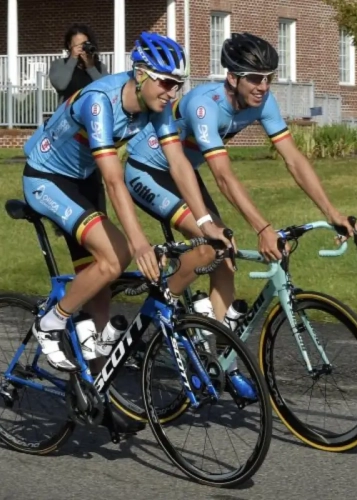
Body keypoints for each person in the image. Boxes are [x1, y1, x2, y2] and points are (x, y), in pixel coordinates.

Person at [122, 32, 357, 393]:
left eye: (269, 78)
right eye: (254, 78)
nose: (263, 86)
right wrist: (263, 228)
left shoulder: (263, 102)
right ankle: (155, 322)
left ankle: (219, 360)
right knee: (210, 247)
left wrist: (332, 212)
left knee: (226, 259)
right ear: (232, 77)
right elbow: (222, 175)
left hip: (182, 173)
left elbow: (294, 159)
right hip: (147, 170)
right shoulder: (204, 105)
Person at [22, 30, 232, 384]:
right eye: (166, 83)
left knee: (103, 276)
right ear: (141, 75)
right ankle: (51, 322)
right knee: (118, 254)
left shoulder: (155, 105)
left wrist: (205, 221)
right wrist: (138, 244)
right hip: (46, 178)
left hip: (82, 178)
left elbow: (179, 164)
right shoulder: (99, 101)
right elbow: (114, 180)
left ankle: (97, 371)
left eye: (177, 85)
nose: (172, 93)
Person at [49, 23, 109, 103]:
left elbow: (107, 89)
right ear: (69, 45)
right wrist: (73, 58)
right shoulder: (59, 64)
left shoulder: (100, 66)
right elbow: (61, 85)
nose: (81, 48)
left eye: (84, 44)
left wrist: (90, 67)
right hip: (69, 109)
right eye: (77, 45)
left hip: (93, 108)